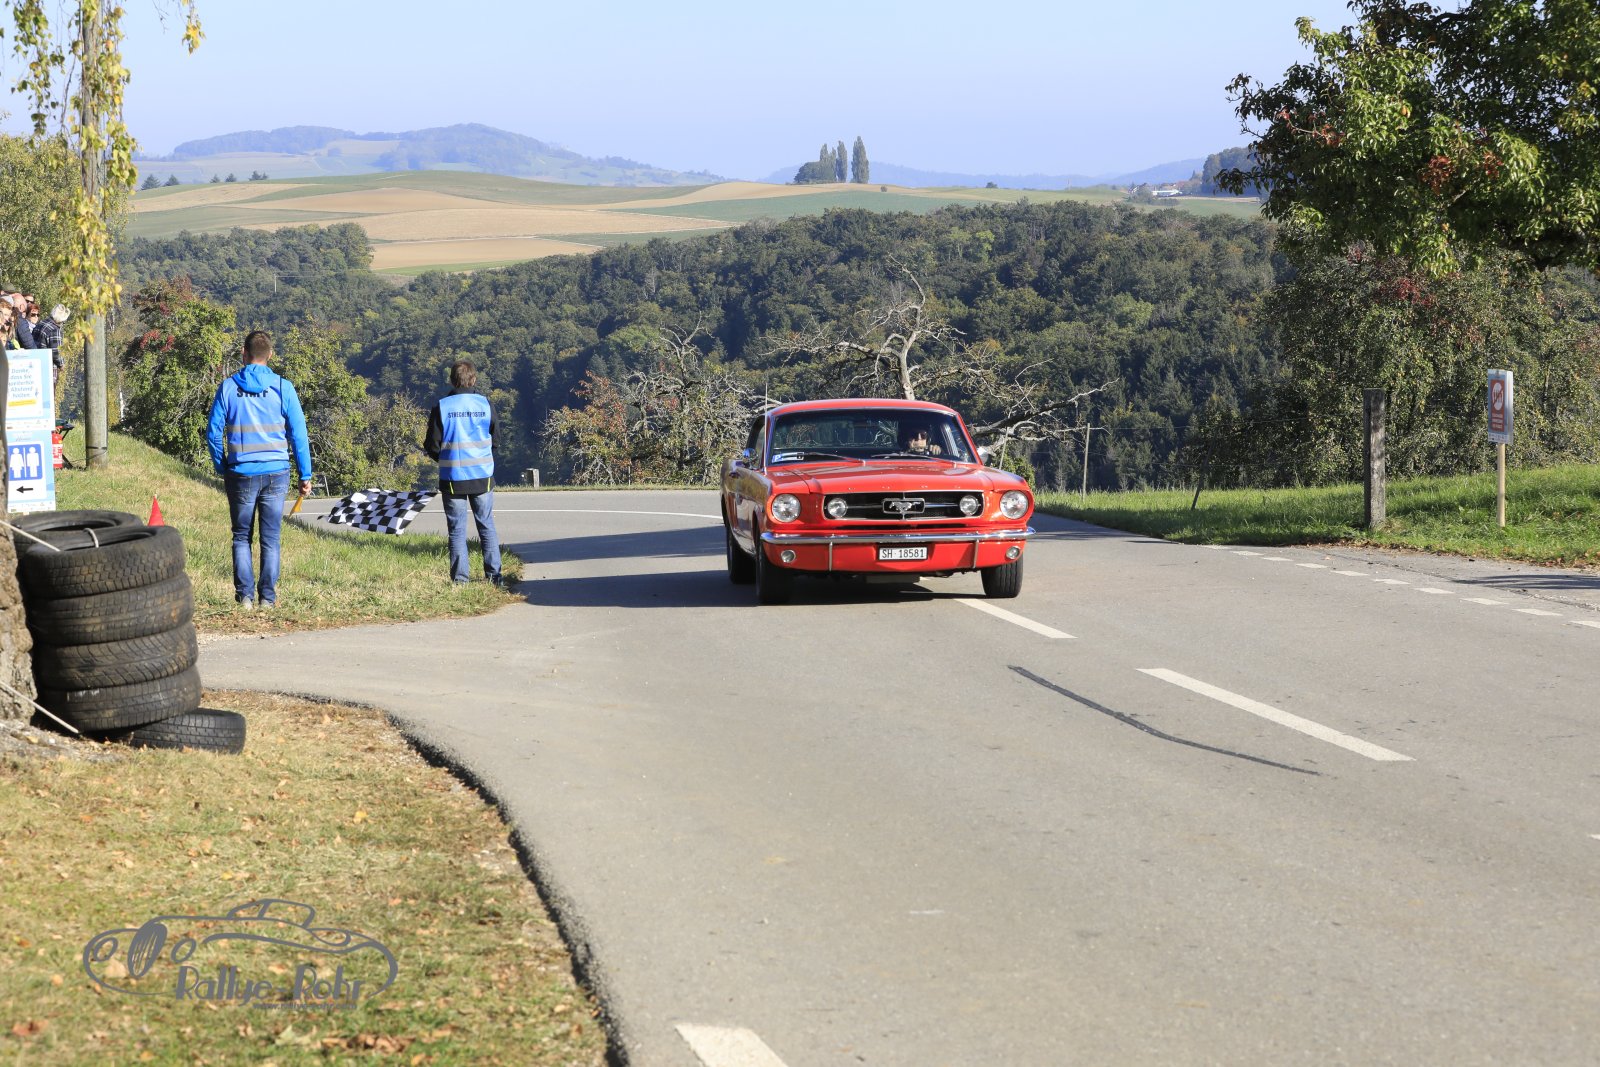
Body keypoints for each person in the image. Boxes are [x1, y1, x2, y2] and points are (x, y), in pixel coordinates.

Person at [206, 330, 313, 610]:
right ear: (270, 355)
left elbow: (213, 433)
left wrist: (222, 465)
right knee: (271, 538)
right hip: (277, 473)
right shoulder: (283, 387)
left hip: (240, 472)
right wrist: (305, 474)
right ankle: (268, 598)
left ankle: (245, 597)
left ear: (244, 353)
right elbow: (298, 435)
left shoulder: (228, 387)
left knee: (241, 536)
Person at [424, 360, 503, 587]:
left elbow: (432, 445)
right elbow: (496, 440)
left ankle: (460, 581)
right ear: (474, 379)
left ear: (451, 380)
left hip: (452, 478)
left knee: (457, 530)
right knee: (486, 525)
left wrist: (445, 460)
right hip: (482, 475)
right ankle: (494, 577)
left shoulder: (442, 407)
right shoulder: (485, 404)